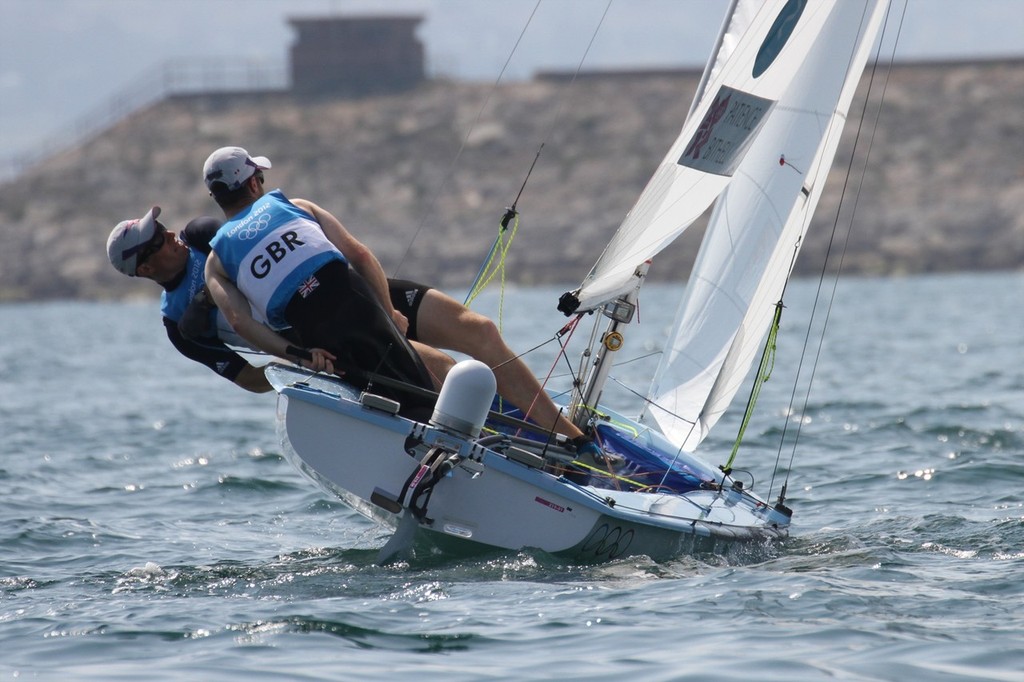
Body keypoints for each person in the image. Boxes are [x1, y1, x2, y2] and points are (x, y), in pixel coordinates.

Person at [201, 146, 600, 453]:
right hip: (361, 301)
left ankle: (538, 440)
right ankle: (555, 448)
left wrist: (300, 356)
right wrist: (387, 313)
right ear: (253, 182)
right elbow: (358, 254)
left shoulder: (216, 262)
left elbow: (241, 325)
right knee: (430, 384)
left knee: (418, 399)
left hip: (321, 335)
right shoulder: (295, 205)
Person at [105, 208, 274, 393]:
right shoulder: (175, 322)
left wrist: (205, 299)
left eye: (160, 227)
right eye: (158, 239)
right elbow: (249, 377)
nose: (169, 233)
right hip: (298, 347)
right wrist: (299, 364)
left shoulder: (201, 234)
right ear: (145, 268)